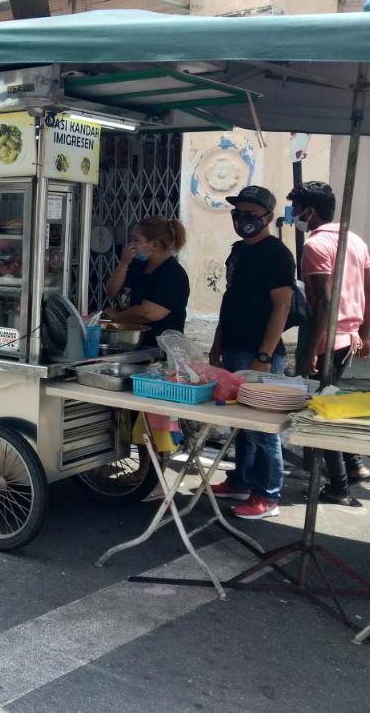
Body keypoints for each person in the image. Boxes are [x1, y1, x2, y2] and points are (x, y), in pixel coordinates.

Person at [288, 181, 370, 505]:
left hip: (327, 338)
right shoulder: (355, 240)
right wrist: (365, 335)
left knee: (319, 411)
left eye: (296, 209)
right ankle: (353, 466)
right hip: (349, 336)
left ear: (309, 211)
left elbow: (323, 301)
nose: (294, 215)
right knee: (328, 400)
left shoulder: (315, 247)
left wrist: (312, 350)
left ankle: (339, 486)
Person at [209, 185, 295, 521]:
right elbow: (229, 301)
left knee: (262, 426)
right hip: (234, 346)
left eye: (250, 215)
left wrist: (264, 354)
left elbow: (282, 307)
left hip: (260, 353)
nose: (242, 220)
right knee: (241, 421)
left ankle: (267, 493)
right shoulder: (238, 251)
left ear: (268, 218)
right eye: (237, 214)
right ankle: (241, 480)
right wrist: (218, 342)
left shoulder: (276, 255)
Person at [103, 216, 190, 345]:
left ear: (154, 244)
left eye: (136, 240)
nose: (131, 244)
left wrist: (118, 318)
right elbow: (111, 292)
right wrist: (123, 263)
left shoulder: (173, 274)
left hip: (157, 349)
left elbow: (147, 313)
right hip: (127, 343)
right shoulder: (136, 265)